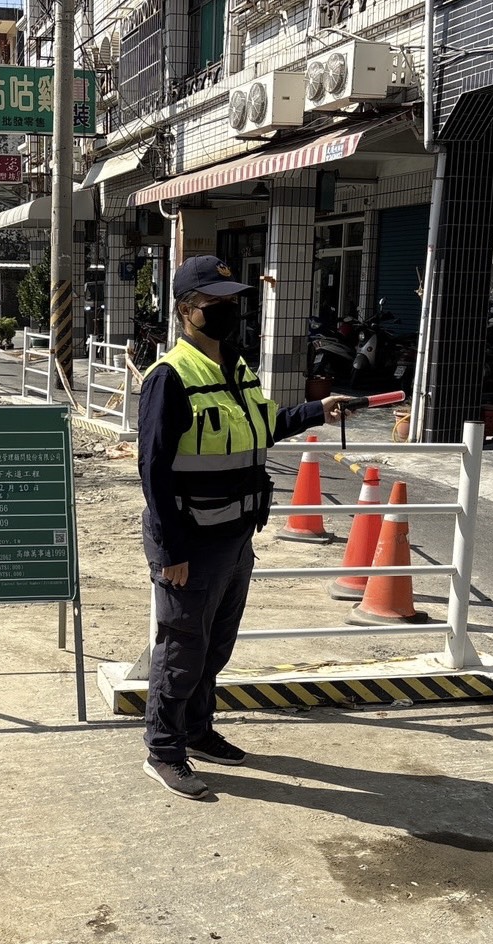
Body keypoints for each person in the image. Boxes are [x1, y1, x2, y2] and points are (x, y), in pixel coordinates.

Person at [137, 255, 350, 800]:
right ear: (187, 311)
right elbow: (154, 471)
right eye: (216, 304)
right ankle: (163, 749)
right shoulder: (170, 377)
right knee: (182, 646)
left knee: (215, 646)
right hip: (190, 538)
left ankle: (198, 730)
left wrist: (314, 410)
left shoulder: (238, 368)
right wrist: (169, 550)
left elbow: (262, 426)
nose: (229, 311)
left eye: (233, 302)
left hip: (235, 535)